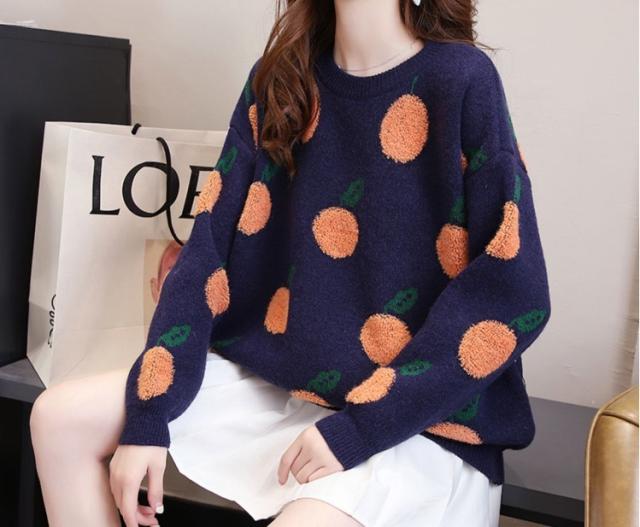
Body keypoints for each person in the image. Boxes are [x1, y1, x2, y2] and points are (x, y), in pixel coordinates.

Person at [29, 0, 552, 526]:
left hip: (419, 420)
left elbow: (514, 292)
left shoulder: (462, 79)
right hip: (280, 385)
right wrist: (150, 413)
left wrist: (360, 428)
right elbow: (206, 255)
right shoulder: (278, 80)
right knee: (57, 420)